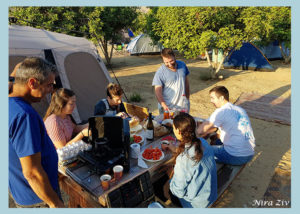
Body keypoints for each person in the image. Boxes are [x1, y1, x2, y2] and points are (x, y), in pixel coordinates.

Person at [9, 57, 64, 208]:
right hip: (39, 199)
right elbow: (32, 173)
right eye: (48, 85)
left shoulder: (8, 102)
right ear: (32, 83)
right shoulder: (25, 115)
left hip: (22, 192)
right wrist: (56, 203)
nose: (51, 90)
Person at [162, 113, 217, 208]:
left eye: (173, 128)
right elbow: (191, 154)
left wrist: (172, 174)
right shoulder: (203, 142)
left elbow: (178, 192)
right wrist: (174, 149)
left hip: (197, 204)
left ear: (179, 132)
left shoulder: (184, 159)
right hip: (210, 195)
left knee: (164, 186)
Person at [197, 86, 255, 165]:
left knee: (199, 151)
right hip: (249, 153)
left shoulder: (221, 111)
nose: (211, 101)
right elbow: (216, 128)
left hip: (235, 155)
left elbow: (200, 131)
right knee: (217, 141)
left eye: (212, 98)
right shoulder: (239, 109)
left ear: (221, 98)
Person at [152, 48, 190, 114]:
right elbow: (158, 91)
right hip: (168, 107)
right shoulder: (160, 72)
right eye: (166, 62)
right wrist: (164, 105)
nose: (169, 64)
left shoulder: (182, 65)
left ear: (174, 56)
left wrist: (187, 99)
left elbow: (186, 82)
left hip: (183, 105)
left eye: (171, 61)